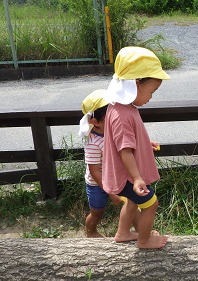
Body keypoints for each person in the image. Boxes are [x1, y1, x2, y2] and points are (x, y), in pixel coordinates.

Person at [100, 46, 169, 249]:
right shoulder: (123, 114)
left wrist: (144, 144)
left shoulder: (120, 107)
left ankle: (122, 233)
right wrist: (137, 178)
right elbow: (124, 149)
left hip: (126, 174)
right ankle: (144, 240)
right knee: (150, 204)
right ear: (136, 84)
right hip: (127, 175)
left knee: (132, 202)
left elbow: (124, 140)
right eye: (151, 91)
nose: (151, 97)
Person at [78, 90, 124, 237]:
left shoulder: (114, 132)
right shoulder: (93, 143)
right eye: (110, 117)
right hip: (97, 184)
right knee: (97, 212)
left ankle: (140, 231)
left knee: (131, 205)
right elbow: (94, 172)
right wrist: (110, 192)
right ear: (95, 122)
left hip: (117, 177)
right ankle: (91, 231)